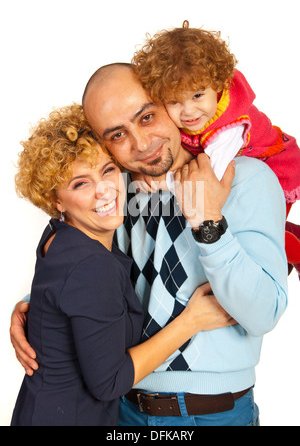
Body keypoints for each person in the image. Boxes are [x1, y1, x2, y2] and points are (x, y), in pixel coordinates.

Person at [11, 64, 288, 426]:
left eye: (147, 116)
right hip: (121, 407)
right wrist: (39, 310)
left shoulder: (245, 180)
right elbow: (91, 270)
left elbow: (264, 314)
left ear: (170, 105)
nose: (141, 145)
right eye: (117, 134)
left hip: (213, 413)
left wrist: (207, 221)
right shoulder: (115, 190)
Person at [131, 21, 300, 278]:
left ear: (218, 84)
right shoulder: (190, 117)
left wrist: (163, 182)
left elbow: (210, 179)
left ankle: (291, 252)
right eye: (174, 101)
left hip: (278, 167)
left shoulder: (228, 127)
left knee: (265, 231)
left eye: (198, 95)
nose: (188, 111)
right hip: (247, 173)